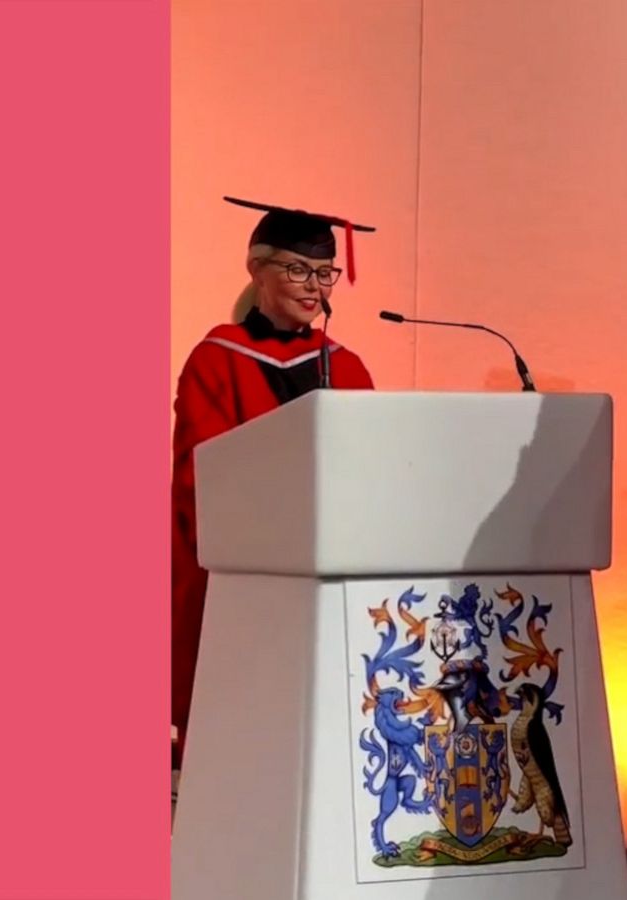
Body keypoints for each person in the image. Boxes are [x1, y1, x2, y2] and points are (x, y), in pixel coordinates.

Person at [170, 197, 376, 768]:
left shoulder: (348, 367)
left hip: (326, 580)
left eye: (324, 273)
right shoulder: (215, 360)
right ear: (256, 269)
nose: (315, 286)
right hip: (244, 578)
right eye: (297, 269)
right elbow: (200, 472)